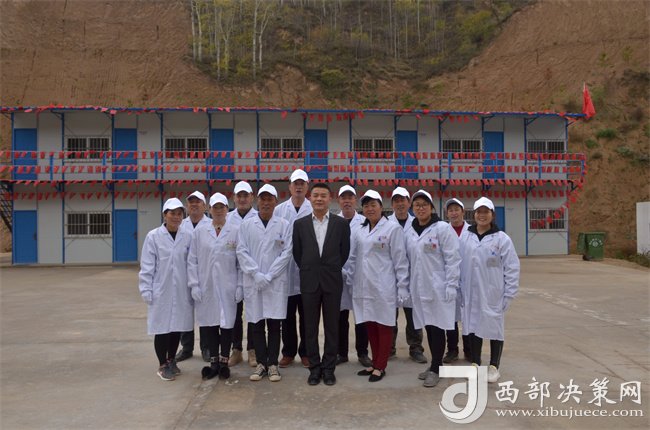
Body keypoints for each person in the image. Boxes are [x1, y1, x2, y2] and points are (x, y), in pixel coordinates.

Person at [346, 190, 409, 382]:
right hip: (363, 285)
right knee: (370, 324)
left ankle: (381, 366)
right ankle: (374, 363)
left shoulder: (392, 229)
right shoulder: (359, 230)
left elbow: (400, 259)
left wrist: (403, 285)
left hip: (384, 286)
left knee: (384, 325)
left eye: (373, 205)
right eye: (366, 206)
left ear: (381, 207)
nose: (370, 209)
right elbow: (353, 257)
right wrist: (349, 277)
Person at [292, 183, 351, 386]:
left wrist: (330, 268)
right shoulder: (300, 225)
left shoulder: (340, 224)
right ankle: (314, 368)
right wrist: (311, 269)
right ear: (310, 198)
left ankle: (329, 369)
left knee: (332, 327)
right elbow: (298, 254)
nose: (319, 199)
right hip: (309, 281)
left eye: (323, 195)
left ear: (330, 199)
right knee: (310, 327)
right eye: (315, 195)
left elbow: (344, 252)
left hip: (332, 281)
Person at [405, 190, 461, 388]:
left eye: (424, 204)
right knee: (428, 326)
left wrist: (452, 284)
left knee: (437, 328)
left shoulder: (442, 228)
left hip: (439, 287)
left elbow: (453, 258)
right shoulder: (410, 231)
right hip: (419, 287)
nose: (420, 208)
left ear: (431, 207)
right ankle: (434, 364)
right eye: (417, 205)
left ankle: (436, 368)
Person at [236, 184, 293, 382]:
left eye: (270, 199)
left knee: (275, 325)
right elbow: (241, 251)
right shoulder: (246, 225)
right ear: (257, 201)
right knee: (257, 324)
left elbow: (287, 253)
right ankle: (261, 363)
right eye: (263, 199)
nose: (266, 203)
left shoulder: (284, 225)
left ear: (275, 202)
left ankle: (273, 364)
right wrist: (256, 274)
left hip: (275, 283)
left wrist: (269, 275)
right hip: (254, 283)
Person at [460, 197, 520, 383]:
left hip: (493, 292)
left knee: (495, 328)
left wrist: (509, 293)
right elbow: (458, 261)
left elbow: (512, 267)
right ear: (474, 214)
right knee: (473, 326)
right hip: (470, 291)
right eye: (479, 212)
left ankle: (494, 366)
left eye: (486, 212)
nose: (482, 215)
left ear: (492, 215)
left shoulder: (502, 239)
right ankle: (475, 363)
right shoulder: (466, 237)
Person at [138, 198, 194, 381]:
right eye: (172, 213)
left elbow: (191, 263)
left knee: (176, 327)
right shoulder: (153, 236)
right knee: (162, 327)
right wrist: (146, 289)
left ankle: (171, 360)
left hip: (181, 289)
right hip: (161, 289)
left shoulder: (187, 236)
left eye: (179, 214)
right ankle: (162, 364)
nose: (176, 217)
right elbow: (147, 265)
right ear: (164, 215)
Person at [187, 193, 238, 380]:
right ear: (209, 209)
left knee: (226, 324)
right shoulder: (200, 232)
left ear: (227, 209)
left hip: (228, 286)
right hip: (206, 286)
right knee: (209, 324)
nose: (218, 211)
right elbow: (192, 260)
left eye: (221, 207)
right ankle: (214, 362)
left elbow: (240, 261)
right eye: (215, 207)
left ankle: (224, 361)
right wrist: (194, 284)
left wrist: (240, 286)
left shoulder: (235, 231)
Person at [274, 169, 312, 368]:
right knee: (286, 316)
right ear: (289, 186)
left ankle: (306, 352)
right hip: (285, 272)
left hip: (307, 272)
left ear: (307, 187)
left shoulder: (313, 208)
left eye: (302, 184)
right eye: (295, 183)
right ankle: (288, 352)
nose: (298, 187)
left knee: (307, 317)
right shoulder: (279, 210)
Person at [387, 187, 427, 364]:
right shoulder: (386, 223)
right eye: (396, 201)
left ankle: (416, 348)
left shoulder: (418, 223)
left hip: (413, 277)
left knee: (414, 315)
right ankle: (389, 348)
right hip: (390, 277)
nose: (400, 204)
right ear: (392, 204)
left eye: (402, 200)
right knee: (389, 315)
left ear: (409, 203)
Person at [336, 185, 372, 368]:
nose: (347, 201)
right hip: (338, 276)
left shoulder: (365, 222)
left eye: (350, 197)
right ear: (339, 201)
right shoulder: (333, 221)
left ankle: (362, 352)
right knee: (340, 317)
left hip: (360, 276)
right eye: (344, 198)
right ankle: (341, 353)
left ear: (355, 200)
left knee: (361, 316)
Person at [176, 190, 212, 363]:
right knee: (185, 312)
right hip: (184, 276)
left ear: (204, 206)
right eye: (191, 202)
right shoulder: (180, 225)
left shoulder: (211, 225)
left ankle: (206, 347)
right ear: (187, 206)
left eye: (198, 202)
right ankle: (187, 347)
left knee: (205, 313)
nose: (194, 205)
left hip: (205, 276)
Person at [226, 181, 259, 368]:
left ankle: (252, 350)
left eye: (246, 195)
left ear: (251, 197)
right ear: (234, 198)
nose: (242, 199)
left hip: (253, 272)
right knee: (235, 314)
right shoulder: (228, 218)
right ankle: (236, 349)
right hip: (232, 273)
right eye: (239, 195)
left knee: (253, 313)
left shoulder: (258, 217)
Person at [443, 198, 472, 363]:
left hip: (468, 280)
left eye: (456, 209)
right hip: (450, 280)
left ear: (463, 211)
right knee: (450, 317)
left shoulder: (472, 231)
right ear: (447, 214)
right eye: (450, 210)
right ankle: (452, 350)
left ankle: (469, 349)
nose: (454, 213)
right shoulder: (443, 230)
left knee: (468, 316)